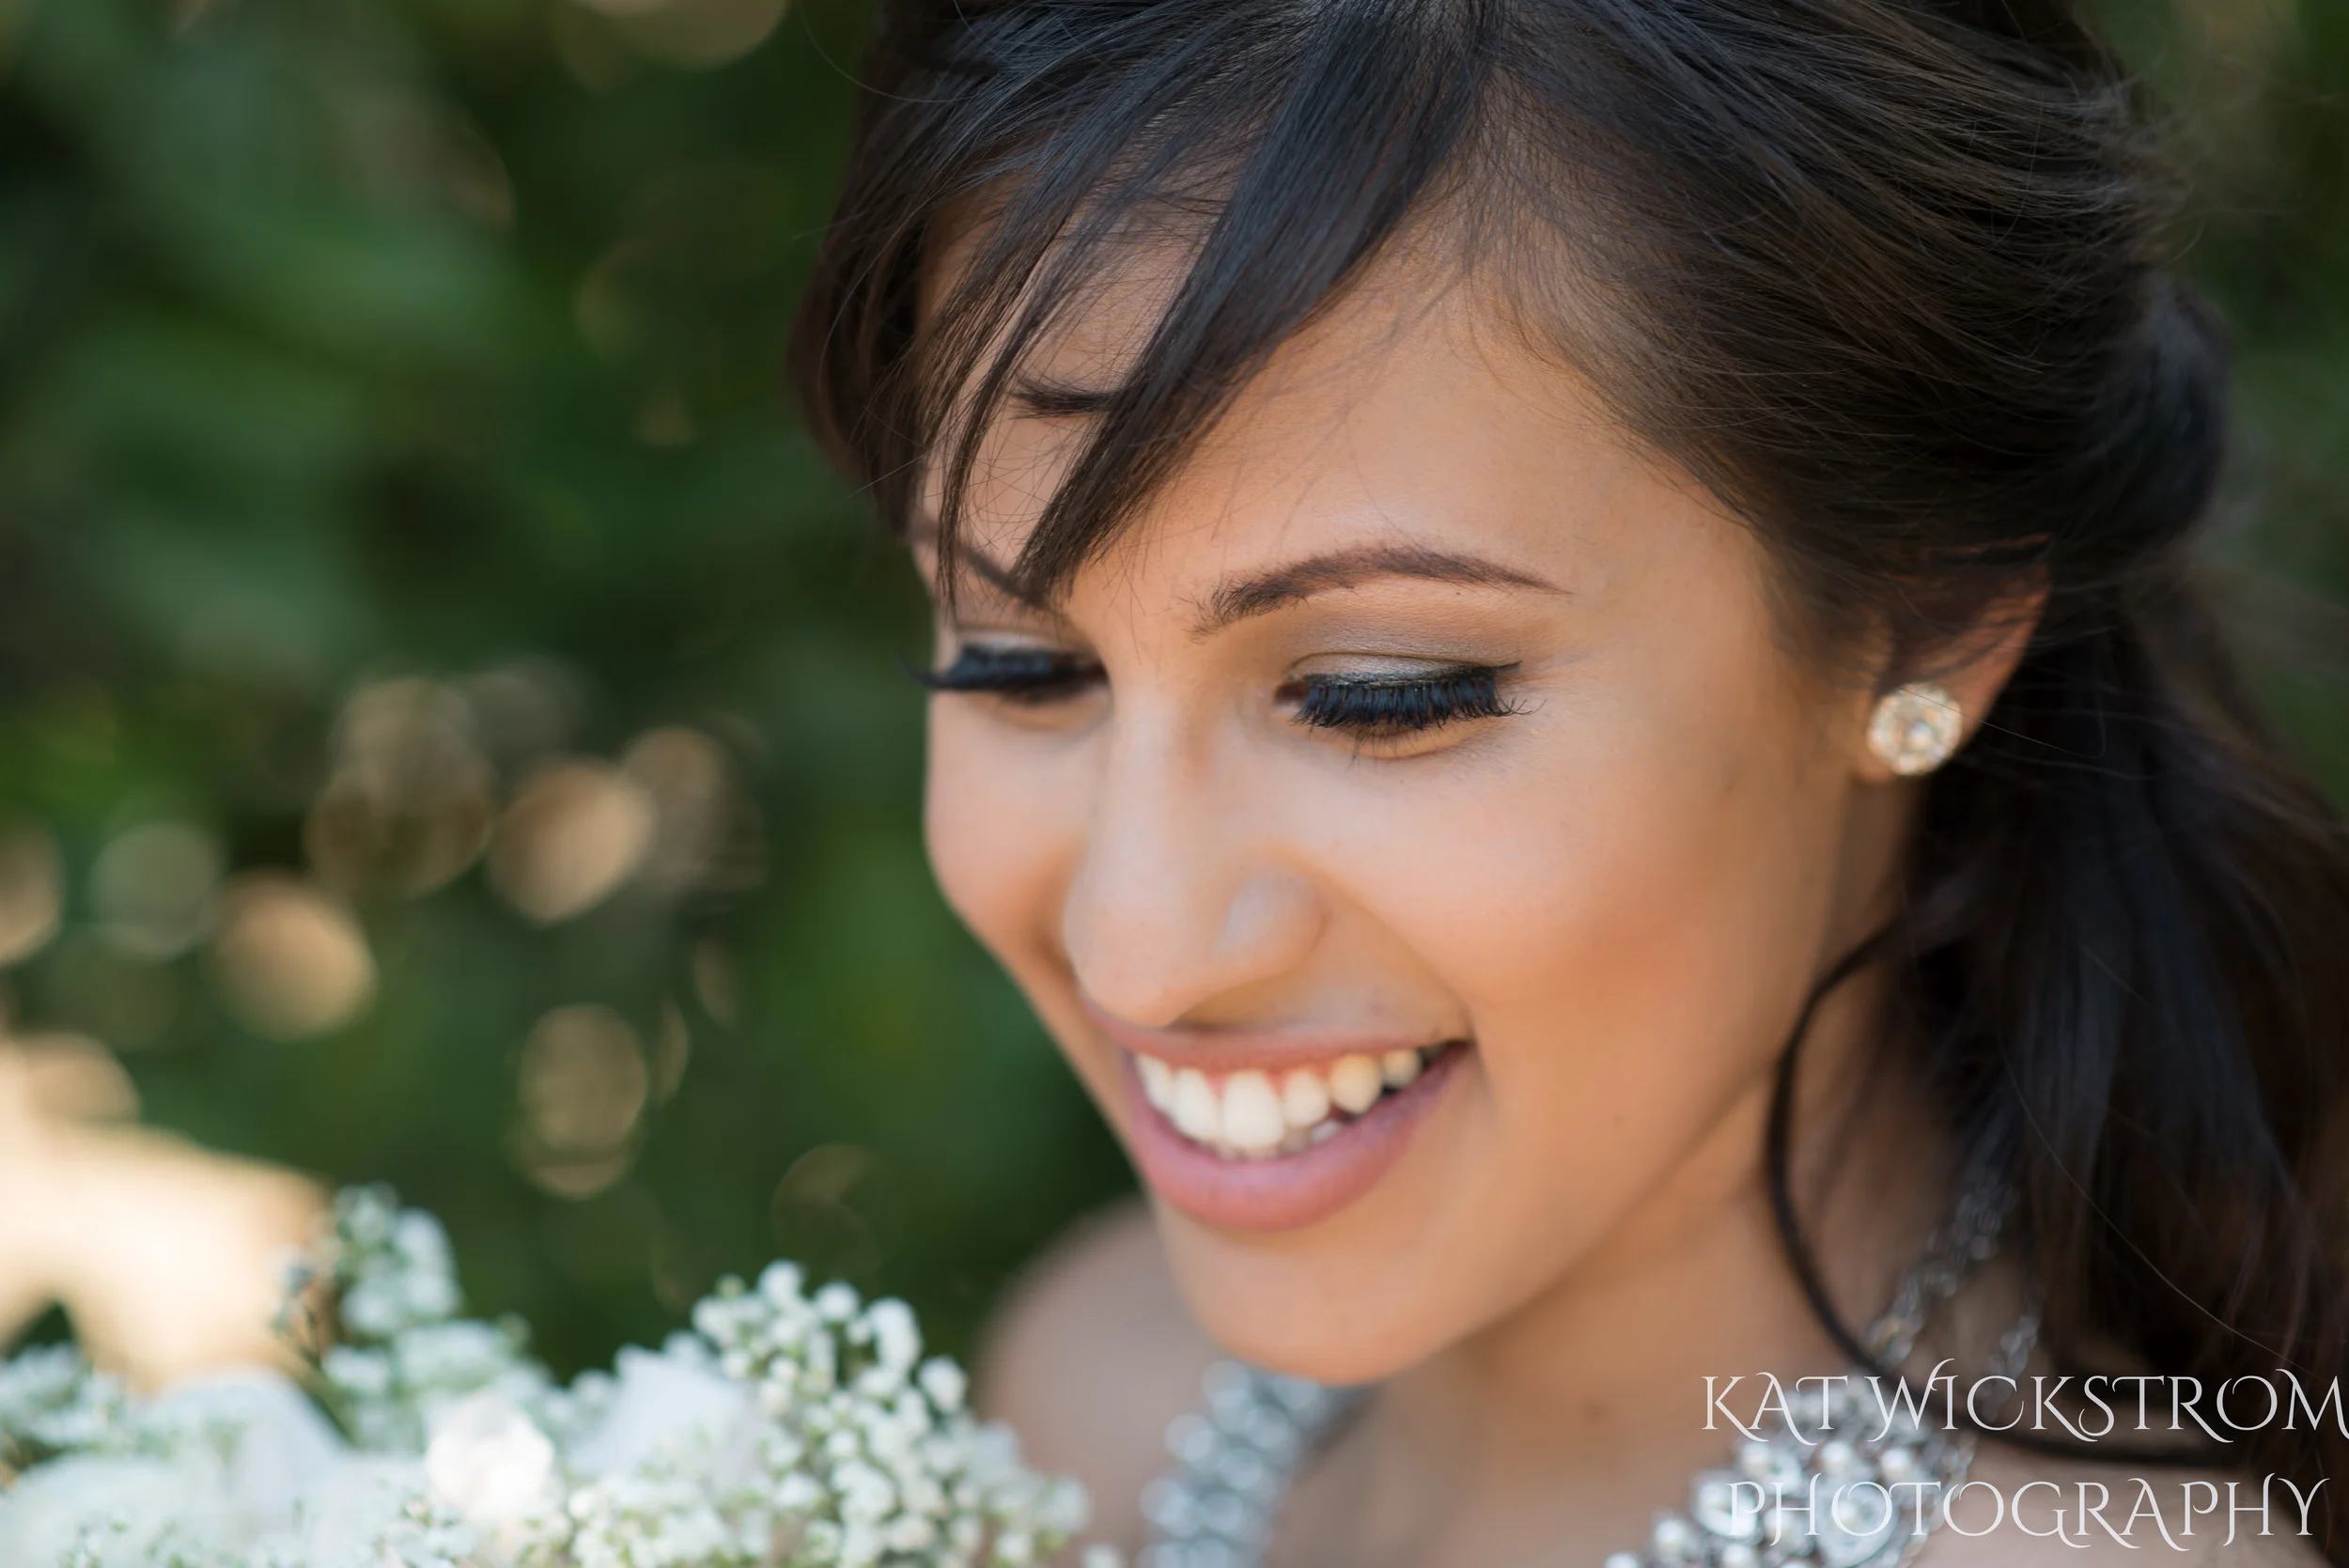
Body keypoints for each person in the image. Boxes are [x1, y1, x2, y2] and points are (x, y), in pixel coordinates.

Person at [788, 0, 2349, 1561]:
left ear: (1922, 628)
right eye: (1020, 668)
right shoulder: (1089, 1409)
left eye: (1380, 697)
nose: (1140, 952)